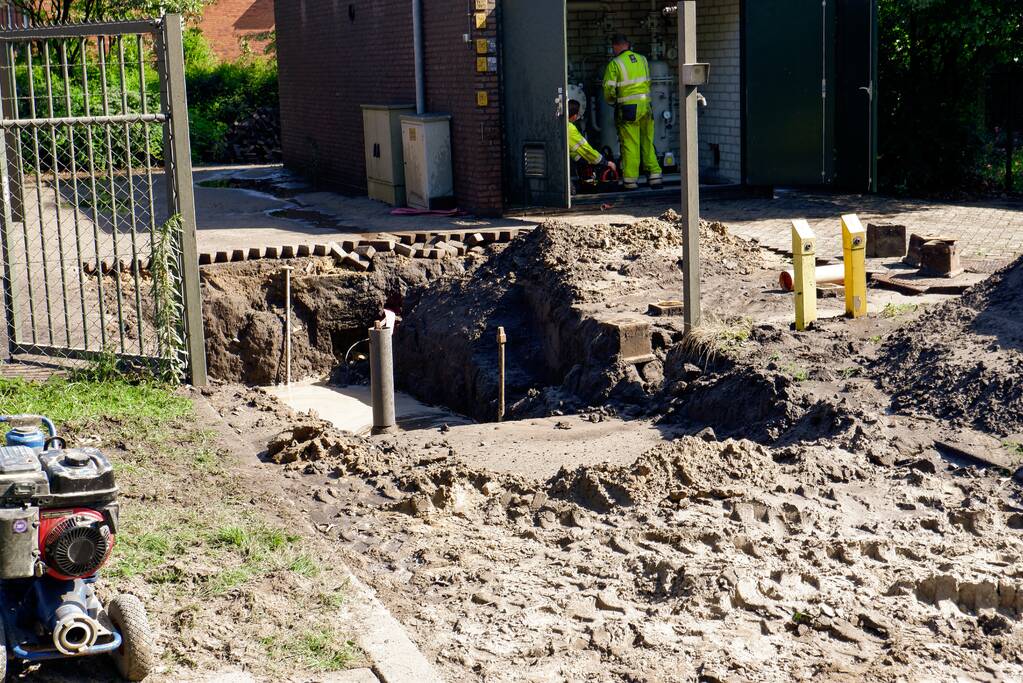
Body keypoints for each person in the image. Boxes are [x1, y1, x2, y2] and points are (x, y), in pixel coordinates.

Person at [602, 35, 662, 190]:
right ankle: (655, 176)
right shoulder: (642, 59)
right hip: (646, 106)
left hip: (628, 109)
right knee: (647, 141)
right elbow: (648, 81)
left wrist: (613, 101)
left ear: (615, 47)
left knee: (630, 144)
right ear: (628, 45)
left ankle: (630, 180)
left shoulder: (614, 64)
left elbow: (608, 90)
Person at [568, 99, 616, 174]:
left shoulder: (563, 125)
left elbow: (573, 150)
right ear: (574, 115)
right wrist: (605, 163)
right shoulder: (570, 129)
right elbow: (585, 149)